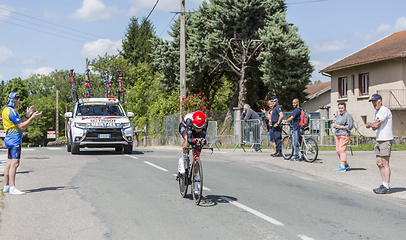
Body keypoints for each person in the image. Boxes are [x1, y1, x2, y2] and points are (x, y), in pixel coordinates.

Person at [2, 92, 42, 195]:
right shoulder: (12, 112)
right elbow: (21, 126)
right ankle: (12, 187)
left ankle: (6, 186)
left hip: (9, 138)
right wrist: (32, 118)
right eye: (17, 99)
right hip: (15, 139)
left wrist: (26, 115)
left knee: (9, 163)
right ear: (14, 100)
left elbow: (17, 122)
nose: (19, 101)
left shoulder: (7, 110)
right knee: (15, 164)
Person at [366, 94, 393, 194]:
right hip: (379, 139)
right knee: (379, 163)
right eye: (372, 102)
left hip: (386, 140)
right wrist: (372, 125)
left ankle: (387, 186)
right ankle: (383, 184)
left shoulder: (384, 110)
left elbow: (374, 124)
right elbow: (374, 127)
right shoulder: (377, 112)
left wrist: (370, 124)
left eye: (375, 101)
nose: (373, 103)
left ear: (380, 101)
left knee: (385, 163)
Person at [178, 110, 207, 194]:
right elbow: (190, 139)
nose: (198, 130)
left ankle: (195, 181)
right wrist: (194, 140)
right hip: (185, 127)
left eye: (200, 128)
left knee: (197, 151)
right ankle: (182, 159)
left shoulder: (205, 121)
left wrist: (202, 141)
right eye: (197, 128)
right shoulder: (189, 121)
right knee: (187, 141)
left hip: (194, 126)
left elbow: (203, 136)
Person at [332, 102, 354, 172]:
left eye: (342, 108)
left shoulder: (348, 115)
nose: (340, 109)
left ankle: (342, 166)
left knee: (342, 150)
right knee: (338, 151)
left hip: (344, 134)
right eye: (339, 108)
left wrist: (340, 126)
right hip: (337, 134)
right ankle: (346, 164)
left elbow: (350, 126)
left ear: (345, 108)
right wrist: (335, 125)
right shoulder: (339, 116)